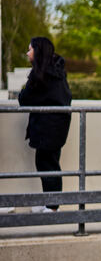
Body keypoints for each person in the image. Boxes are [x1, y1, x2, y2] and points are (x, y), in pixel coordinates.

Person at [18, 37, 72, 213]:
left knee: (48, 165)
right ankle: (49, 202)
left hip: (49, 129)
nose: (27, 53)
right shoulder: (55, 72)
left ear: (38, 51)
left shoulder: (43, 75)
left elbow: (24, 99)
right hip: (54, 128)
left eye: (29, 49)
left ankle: (52, 205)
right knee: (47, 164)